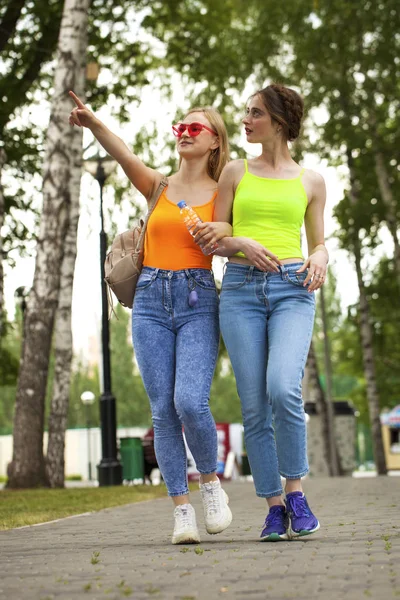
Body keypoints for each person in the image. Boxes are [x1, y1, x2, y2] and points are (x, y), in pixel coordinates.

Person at [69, 91, 233, 545]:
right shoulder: (159, 186)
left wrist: (220, 236)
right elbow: (121, 151)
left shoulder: (224, 193)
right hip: (150, 300)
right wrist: (92, 121)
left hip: (199, 299)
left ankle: (211, 484)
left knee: (190, 401)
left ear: (215, 141)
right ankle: (182, 511)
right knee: (162, 410)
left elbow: (236, 240)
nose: (183, 133)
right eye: (180, 127)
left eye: (193, 128)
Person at [195, 83, 328, 541]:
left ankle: (296, 492)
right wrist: (241, 243)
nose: (246, 121)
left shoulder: (311, 181)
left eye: (254, 113)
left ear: (280, 121)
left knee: (282, 388)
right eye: (246, 112)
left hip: (293, 288)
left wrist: (323, 257)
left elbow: (319, 242)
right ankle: (274, 507)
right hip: (240, 291)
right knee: (253, 404)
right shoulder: (234, 171)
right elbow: (216, 235)